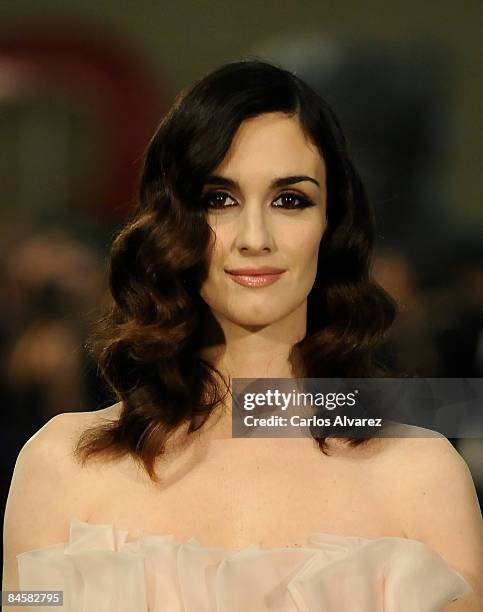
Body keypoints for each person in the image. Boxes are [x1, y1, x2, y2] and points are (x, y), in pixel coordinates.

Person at [3, 59, 482, 611]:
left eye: (290, 200)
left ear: (332, 225)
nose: (255, 237)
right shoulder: (62, 466)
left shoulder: (419, 476)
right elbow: (26, 602)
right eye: (218, 199)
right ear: (172, 222)